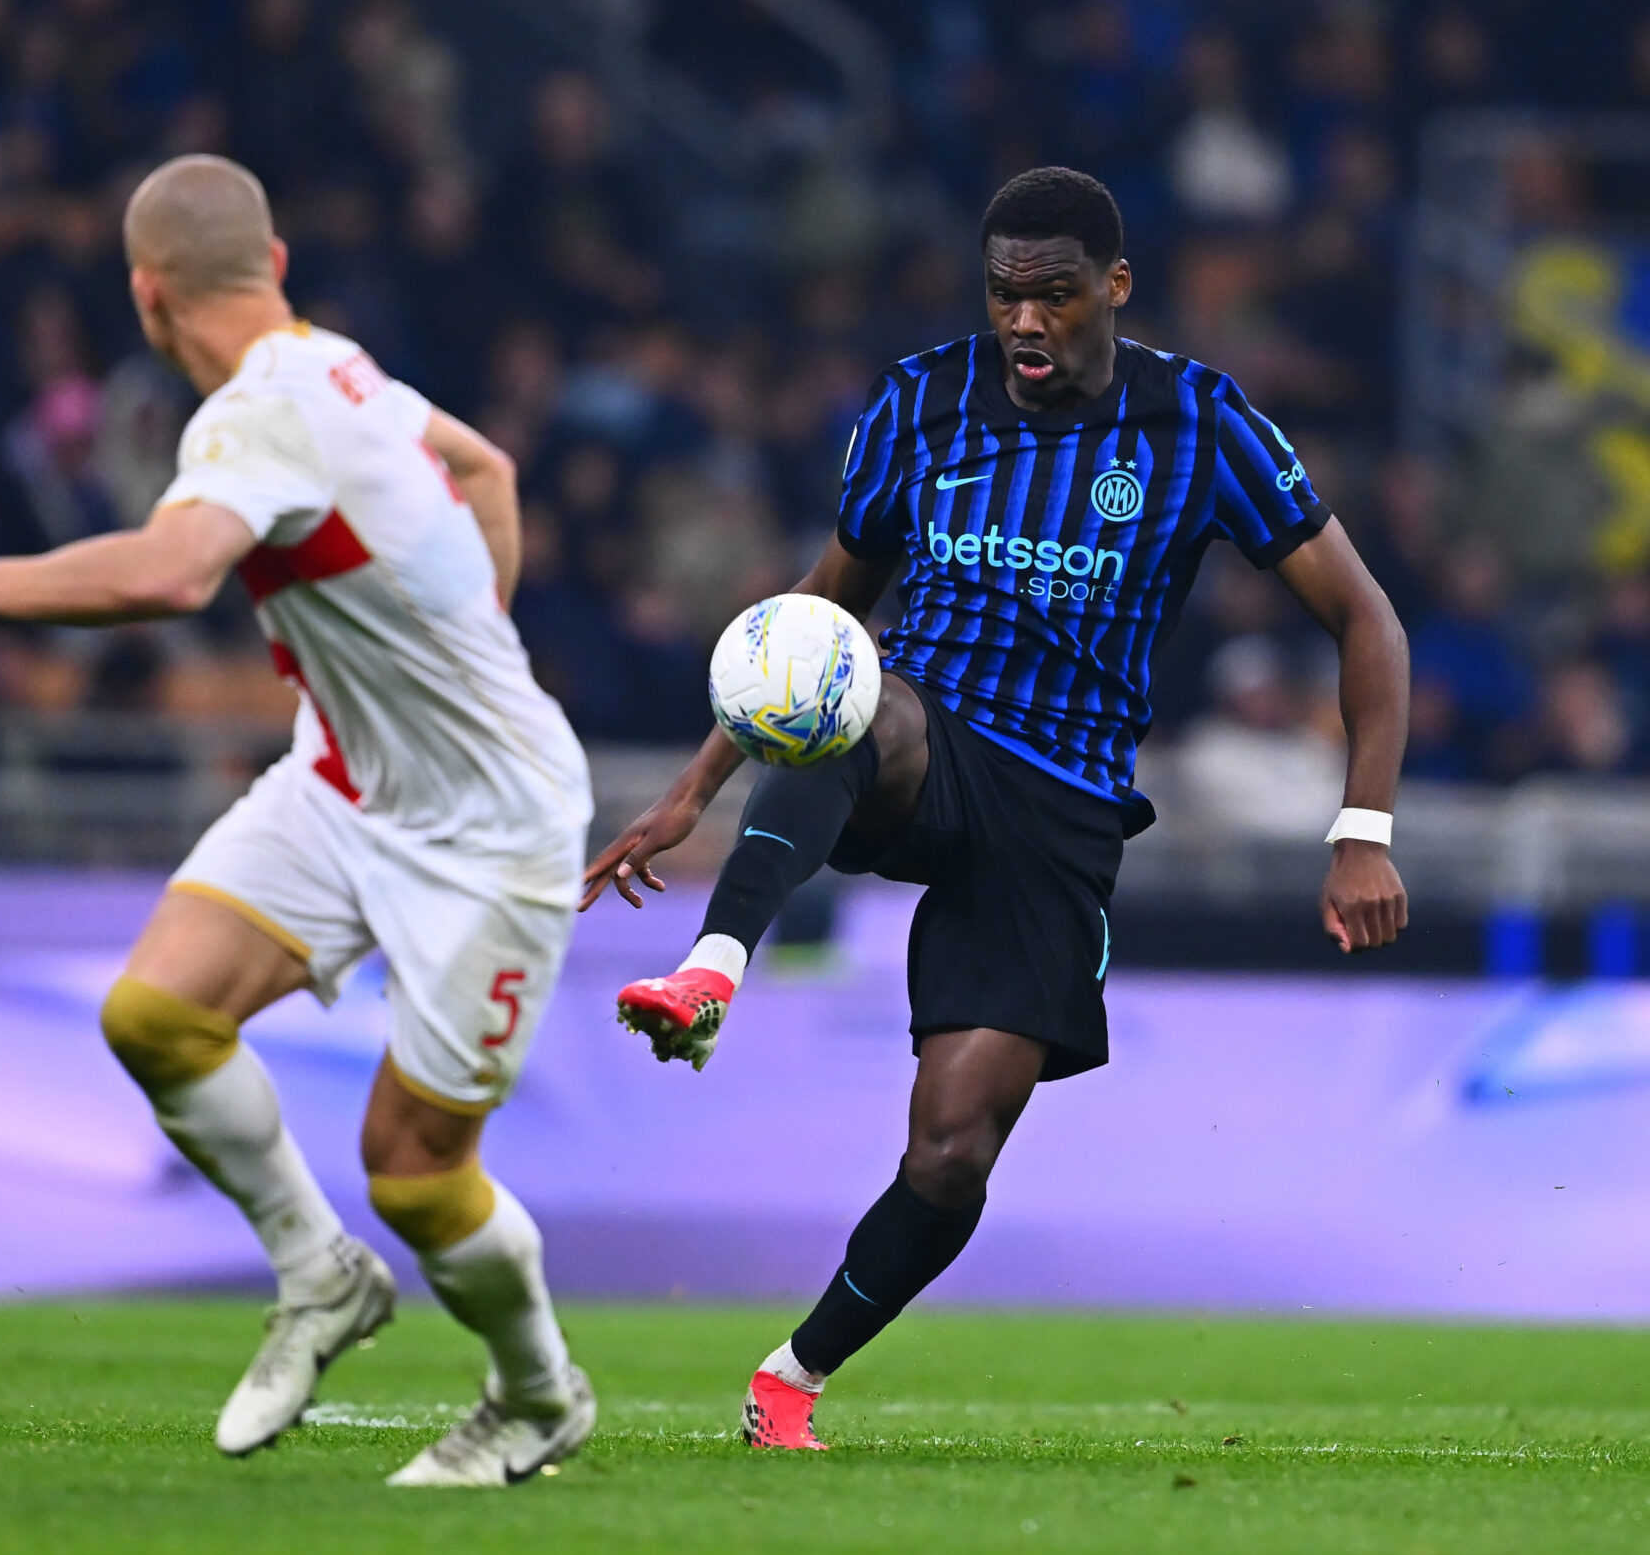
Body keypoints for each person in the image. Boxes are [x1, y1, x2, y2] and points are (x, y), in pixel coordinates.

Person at [586, 167, 1410, 1452]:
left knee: (954, 1149)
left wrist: (1362, 831)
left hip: (1062, 802)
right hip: (927, 740)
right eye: (1003, 295)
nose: (1025, 321)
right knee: (861, 698)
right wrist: (694, 788)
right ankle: (711, 969)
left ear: (1113, 287)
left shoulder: (1197, 422)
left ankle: (791, 1377)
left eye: (1055, 296)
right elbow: (817, 618)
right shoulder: (920, 401)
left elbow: (1366, 618)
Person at [0, 155, 596, 1488]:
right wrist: (460, 646)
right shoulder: (342, 368)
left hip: (491, 831)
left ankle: (536, 1396)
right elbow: (490, 469)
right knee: (157, 1014)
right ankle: (319, 1273)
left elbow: (174, 574)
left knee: (415, 1173)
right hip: (342, 781)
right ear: (274, 266)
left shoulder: (258, 413)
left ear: (146, 297)